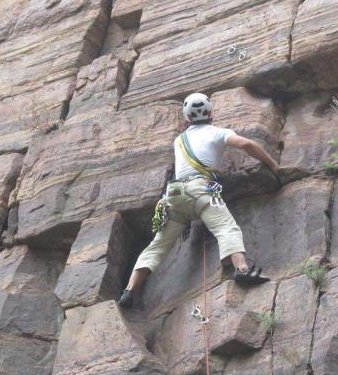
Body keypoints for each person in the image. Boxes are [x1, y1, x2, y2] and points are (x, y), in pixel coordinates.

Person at [118, 92, 279, 308]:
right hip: (201, 191)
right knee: (226, 227)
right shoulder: (217, 132)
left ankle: (129, 290)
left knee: (157, 246)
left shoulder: (179, 140)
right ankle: (242, 270)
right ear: (211, 113)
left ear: (187, 119)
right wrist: (272, 164)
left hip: (173, 196)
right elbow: (246, 144)